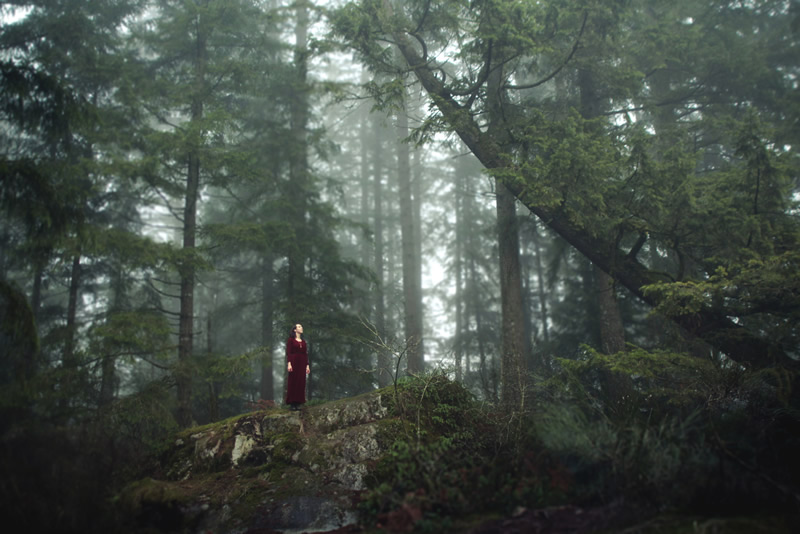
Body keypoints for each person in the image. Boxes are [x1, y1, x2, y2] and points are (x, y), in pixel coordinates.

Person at [285, 323, 310, 411]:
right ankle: (292, 403)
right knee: (293, 381)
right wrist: (289, 363)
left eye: (301, 326)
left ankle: (299, 403)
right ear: (295, 330)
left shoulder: (303, 342)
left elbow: (305, 354)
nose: (301, 328)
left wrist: (307, 365)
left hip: (302, 362)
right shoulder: (291, 340)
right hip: (294, 361)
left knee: (301, 381)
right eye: (299, 327)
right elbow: (289, 352)